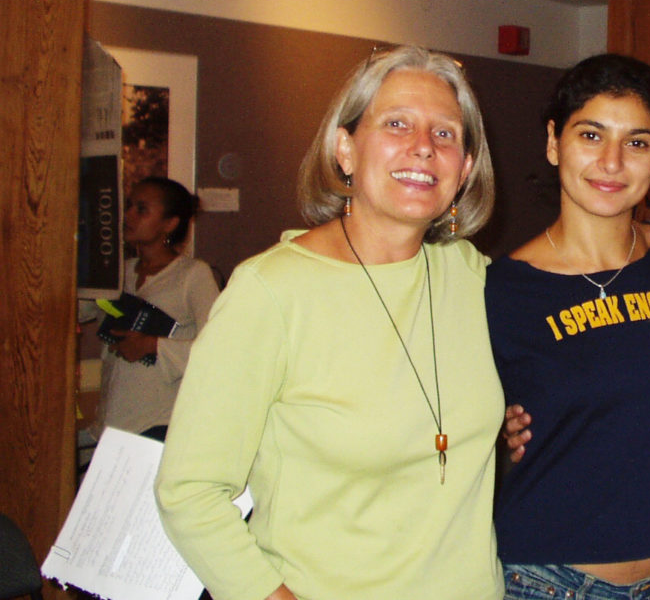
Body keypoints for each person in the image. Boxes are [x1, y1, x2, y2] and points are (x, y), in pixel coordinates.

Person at [155, 45, 505, 600]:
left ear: (463, 170)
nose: (423, 146)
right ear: (345, 150)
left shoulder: (471, 276)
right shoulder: (271, 292)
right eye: (396, 124)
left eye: (445, 133)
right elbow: (189, 492)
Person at [486, 53, 650, 599]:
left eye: (637, 142)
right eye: (591, 135)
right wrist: (498, 427)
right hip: (550, 581)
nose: (612, 162)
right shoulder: (503, 290)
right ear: (553, 142)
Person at [81, 176, 219, 443]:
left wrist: (152, 345)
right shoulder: (118, 273)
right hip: (112, 422)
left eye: (142, 209)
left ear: (170, 224)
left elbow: (217, 349)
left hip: (159, 425)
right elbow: (73, 312)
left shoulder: (192, 275)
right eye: (129, 206)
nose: (129, 215)